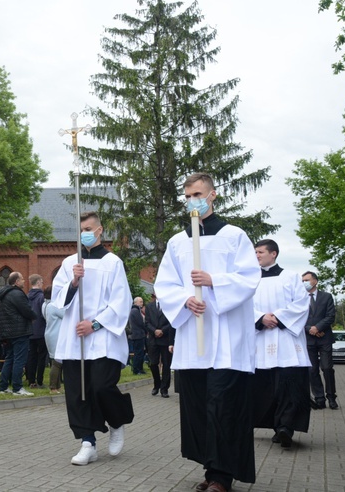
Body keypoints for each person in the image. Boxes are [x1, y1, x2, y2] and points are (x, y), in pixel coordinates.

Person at [154, 173, 261, 492]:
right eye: (187, 196)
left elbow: (249, 276)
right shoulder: (177, 242)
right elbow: (164, 283)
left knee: (223, 405)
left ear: (213, 195)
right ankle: (211, 468)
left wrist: (214, 281)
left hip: (227, 339)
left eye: (197, 194)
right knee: (199, 407)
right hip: (193, 339)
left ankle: (222, 477)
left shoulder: (234, 236)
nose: (192, 201)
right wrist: (185, 299)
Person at [52, 211, 134, 466]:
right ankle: (88, 442)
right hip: (75, 339)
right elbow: (57, 299)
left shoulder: (113, 262)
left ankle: (116, 421)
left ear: (100, 230)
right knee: (78, 392)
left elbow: (122, 301)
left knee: (100, 386)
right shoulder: (69, 263)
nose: (84, 234)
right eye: (81, 230)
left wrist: (95, 324)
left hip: (104, 337)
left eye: (89, 228)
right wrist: (74, 283)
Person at [252, 239, 311, 448]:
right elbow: (242, 305)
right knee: (266, 386)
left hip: (286, 338)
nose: (256, 255)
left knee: (288, 384)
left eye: (260, 252)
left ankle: (286, 427)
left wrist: (277, 318)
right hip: (261, 338)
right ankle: (273, 425)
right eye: (255, 252)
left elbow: (302, 304)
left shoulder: (291, 276)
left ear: (273, 253)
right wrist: (260, 318)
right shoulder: (250, 279)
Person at [0, 272, 37, 396]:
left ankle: (3, 387)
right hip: (19, 331)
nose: (24, 281)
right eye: (22, 279)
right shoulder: (17, 294)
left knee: (9, 359)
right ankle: (17, 388)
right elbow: (26, 310)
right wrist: (34, 316)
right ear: (16, 281)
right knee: (19, 360)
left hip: (8, 332)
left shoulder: (4, 294)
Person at [302, 271, 338, 409]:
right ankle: (319, 398)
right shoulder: (299, 298)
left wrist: (318, 328)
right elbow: (296, 318)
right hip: (308, 339)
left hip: (324, 338)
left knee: (327, 368)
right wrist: (310, 329)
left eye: (307, 280)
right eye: (302, 280)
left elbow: (330, 316)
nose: (304, 283)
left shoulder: (326, 297)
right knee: (312, 370)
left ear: (315, 281)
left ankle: (331, 397)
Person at [145, 294, 173, 398]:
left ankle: (164, 388)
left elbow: (171, 321)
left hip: (165, 339)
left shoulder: (169, 305)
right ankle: (157, 384)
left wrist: (162, 330)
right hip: (153, 339)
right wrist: (154, 331)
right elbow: (147, 323)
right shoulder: (149, 306)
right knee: (153, 363)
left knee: (166, 364)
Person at [26, 274, 48, 388]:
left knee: (31, 357)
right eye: (42, 282)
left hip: (30, 331)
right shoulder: (41, 297)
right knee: (42, 357)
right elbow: (44, 314)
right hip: (41, 330)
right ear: (38, 282)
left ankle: (31, 381)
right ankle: (39, 381)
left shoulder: (26, 296)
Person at [43, 285, 64, 395]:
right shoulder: (54, 305)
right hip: (56, 334)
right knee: (57, 363)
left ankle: (58, 386)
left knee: (55, 361)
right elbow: (66, 315)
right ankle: (53, 387)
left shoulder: (45, 304)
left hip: (50, 333)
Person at [128, 297, 146, 374]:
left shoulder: (134, 310)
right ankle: (137, 369)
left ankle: (139, 368)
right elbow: (140, 323)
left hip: (136, 334)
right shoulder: (135, 311)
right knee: (138, 353)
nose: (142, 303)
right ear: (136, 303)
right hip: (138, 335)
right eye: (140, 302)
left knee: (139, 353)